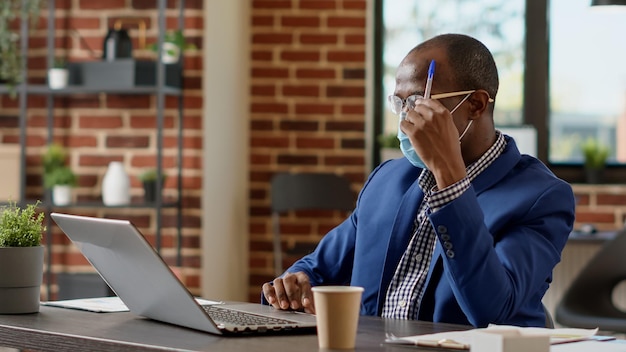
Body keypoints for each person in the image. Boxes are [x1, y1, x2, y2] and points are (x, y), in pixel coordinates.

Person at [262, 33, 575, 327]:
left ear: (476, 105)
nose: (404, 120)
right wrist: (296, 282)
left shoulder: (541, 197)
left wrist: (450, 181)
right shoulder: (388, 179)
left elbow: (493, 310)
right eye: (399, 104)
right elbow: (317, 268)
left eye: (415, 103)